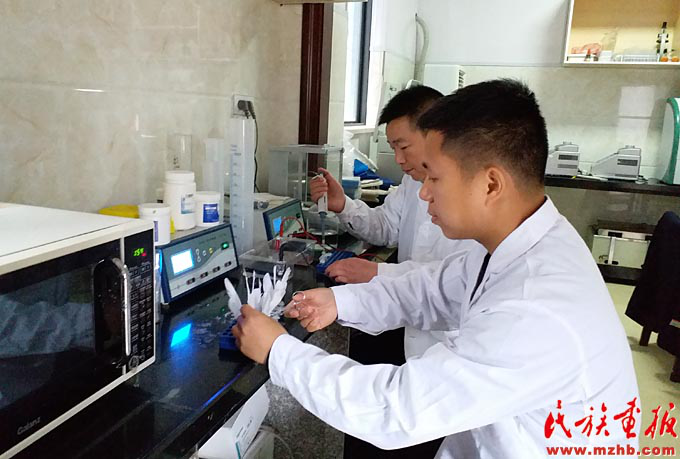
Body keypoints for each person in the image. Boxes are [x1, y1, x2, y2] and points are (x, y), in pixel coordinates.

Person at [232, 79, 640, 458]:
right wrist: (340, 302)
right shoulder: (520, 245)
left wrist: (279, 352)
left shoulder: (535, 308)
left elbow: (396, 410)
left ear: (491, 184)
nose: (424, 193)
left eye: (435, 178)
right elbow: (432, 289)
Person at [310, 85, 478, 359]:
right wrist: (343, 205)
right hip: (414, 337)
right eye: (393, 148)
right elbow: (387, 227)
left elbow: (453, 283)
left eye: (403, 146)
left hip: (451, 346)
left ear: (437, 135)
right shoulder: (413, 182)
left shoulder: (474, 199)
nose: (398, 159)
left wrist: (378, 274)